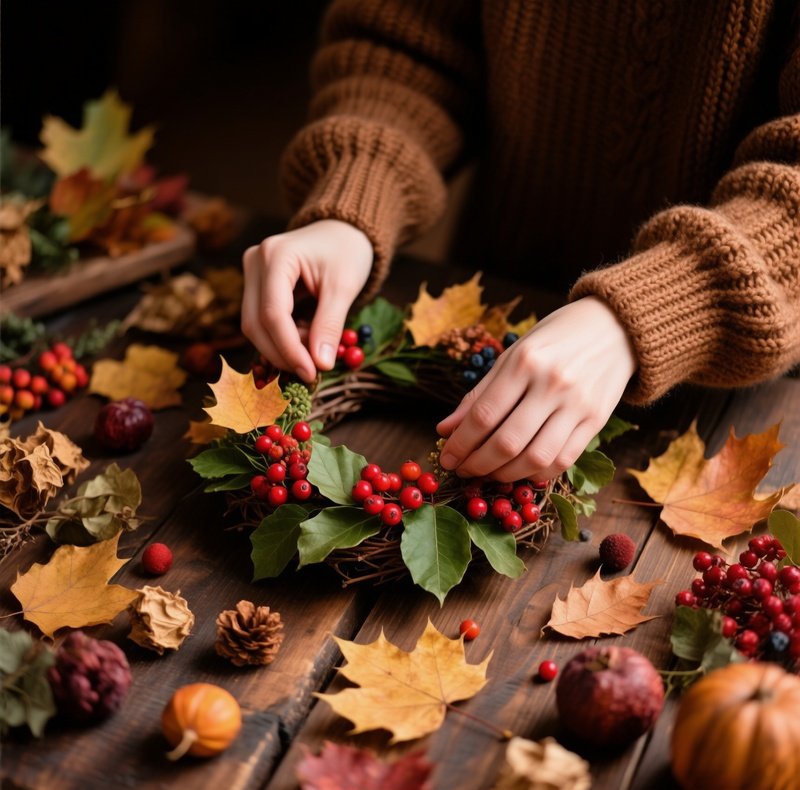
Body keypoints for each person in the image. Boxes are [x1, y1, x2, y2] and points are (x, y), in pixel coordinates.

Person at [242, 0, 800, 484]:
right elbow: (409, 44)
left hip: (733, 394)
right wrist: (357, 196)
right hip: (492, 310)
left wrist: (653, 309)